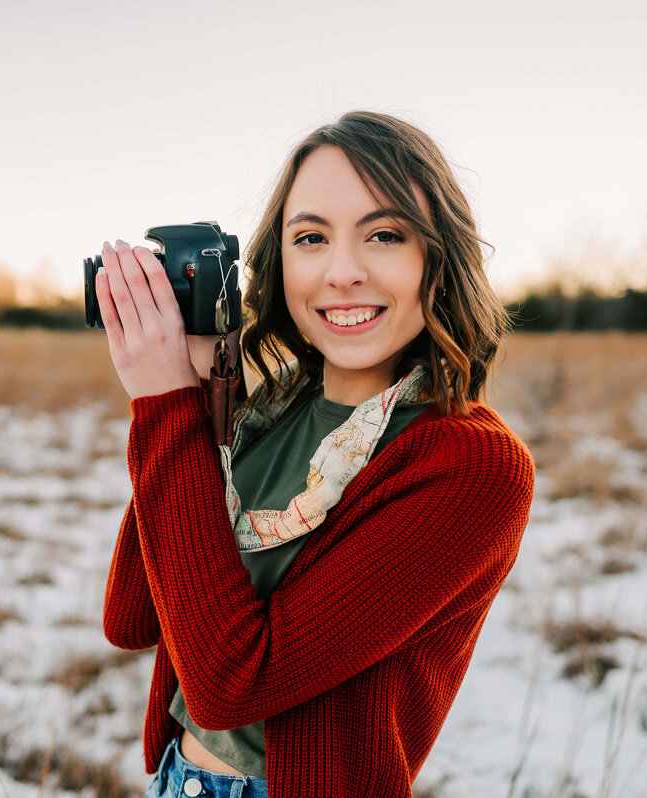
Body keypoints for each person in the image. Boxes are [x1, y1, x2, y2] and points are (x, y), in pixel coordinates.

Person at [96, 111, 534, 798]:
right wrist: (191, 401)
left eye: (384, 235)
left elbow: (231, 685)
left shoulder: (470, 467)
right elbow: (132, 616)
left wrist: (166, 410)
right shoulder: (268, 413)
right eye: (311, 238)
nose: (343, 273)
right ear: (279, 263)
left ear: (437, 257)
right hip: (176, 781)